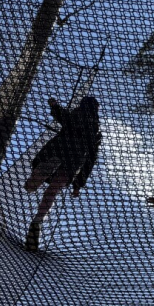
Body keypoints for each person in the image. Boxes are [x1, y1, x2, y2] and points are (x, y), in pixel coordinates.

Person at [24, 95, 102, 251]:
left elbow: (91, 158)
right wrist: (78, 183)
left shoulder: (90, 126)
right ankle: (38, 219)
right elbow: (91, 159)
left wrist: (54, 106)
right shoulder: (91, 126)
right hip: (66, 157)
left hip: (64, 155)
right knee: (47, 189)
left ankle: (37, 221)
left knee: (46, 188)